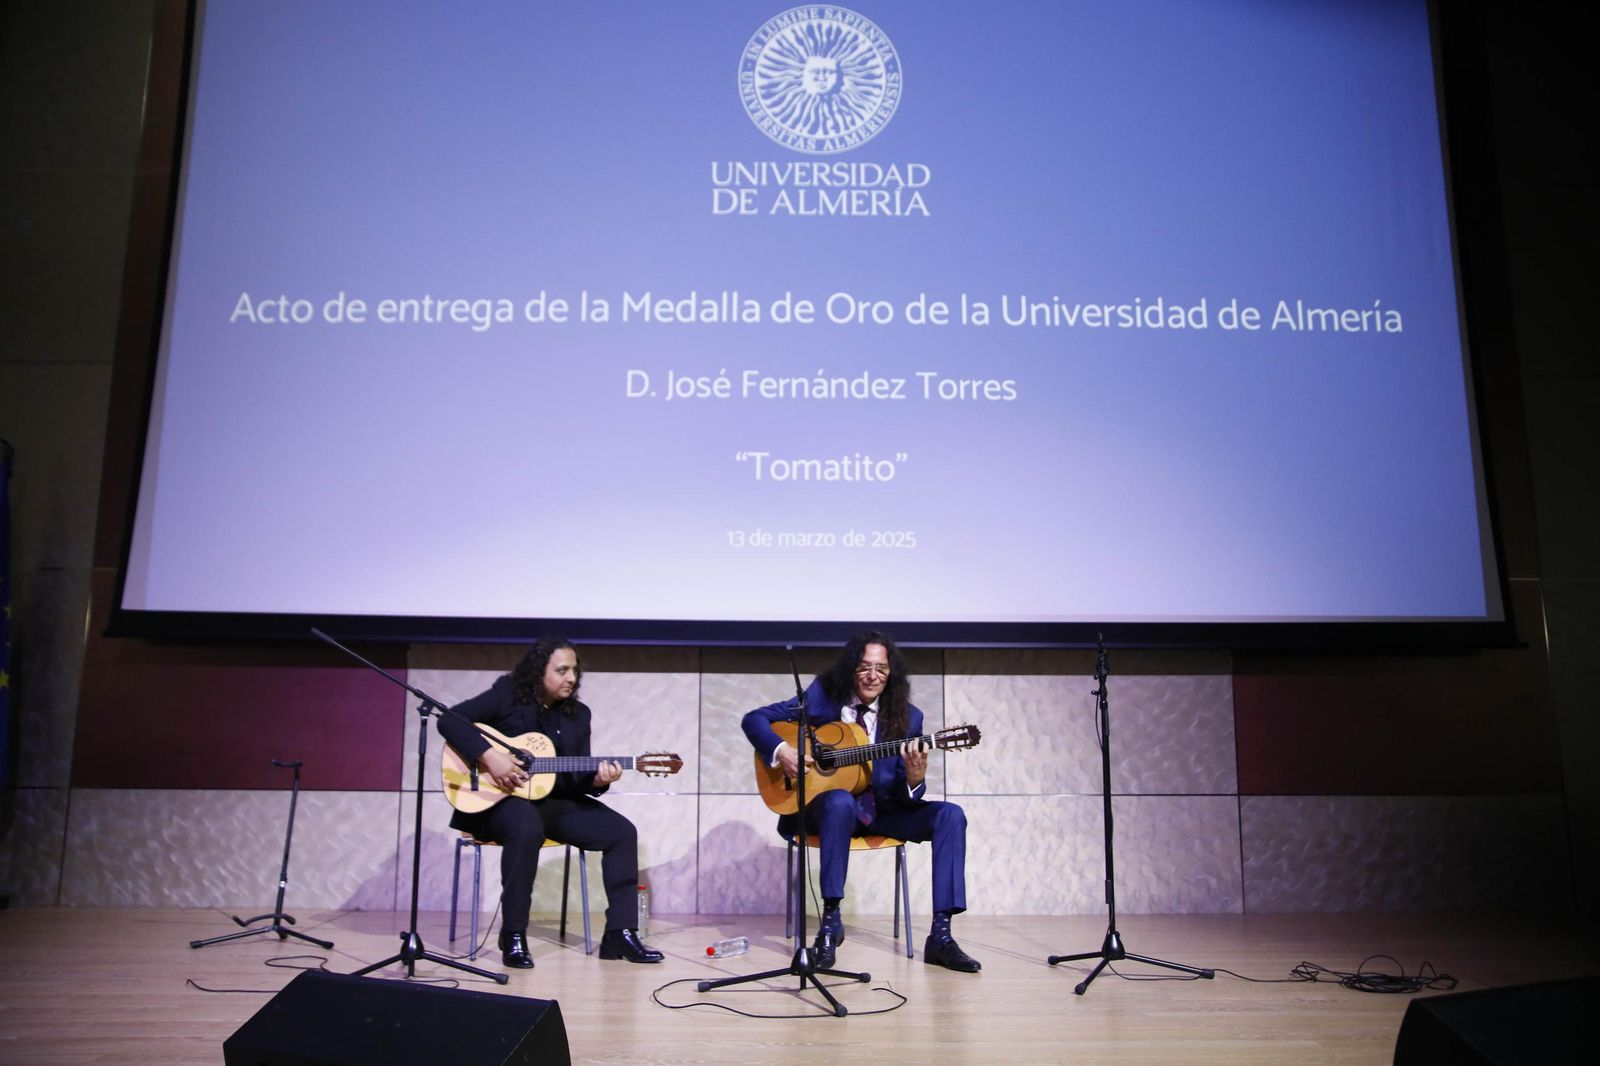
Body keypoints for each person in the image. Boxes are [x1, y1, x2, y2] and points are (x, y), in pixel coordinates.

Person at [742, 631, 980, 972]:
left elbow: (904, 792)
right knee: (840, 800)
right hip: (827, 811)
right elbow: (754, 719)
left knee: (951, 815)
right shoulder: (823, 698)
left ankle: (941, 936)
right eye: (865, 667)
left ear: (891, 673)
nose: (872, 676)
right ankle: (830, 924)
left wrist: (915, 779)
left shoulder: (909, 717)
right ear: (851, 668)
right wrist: (783, 752)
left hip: (882, 811)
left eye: (881, 669)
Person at [437, 637, 662, 968]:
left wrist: (598, 780)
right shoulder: (507, 694)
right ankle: (513, 933)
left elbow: (574, 778)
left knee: (621, 832)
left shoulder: (578, 715)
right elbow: (449, 720)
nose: (572, 678)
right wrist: (491, 757)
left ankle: (620, 932)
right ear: (539, 671)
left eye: (575, 671)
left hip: (553, 804)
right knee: (526, 825)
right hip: (495, 803)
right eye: (562, 670)